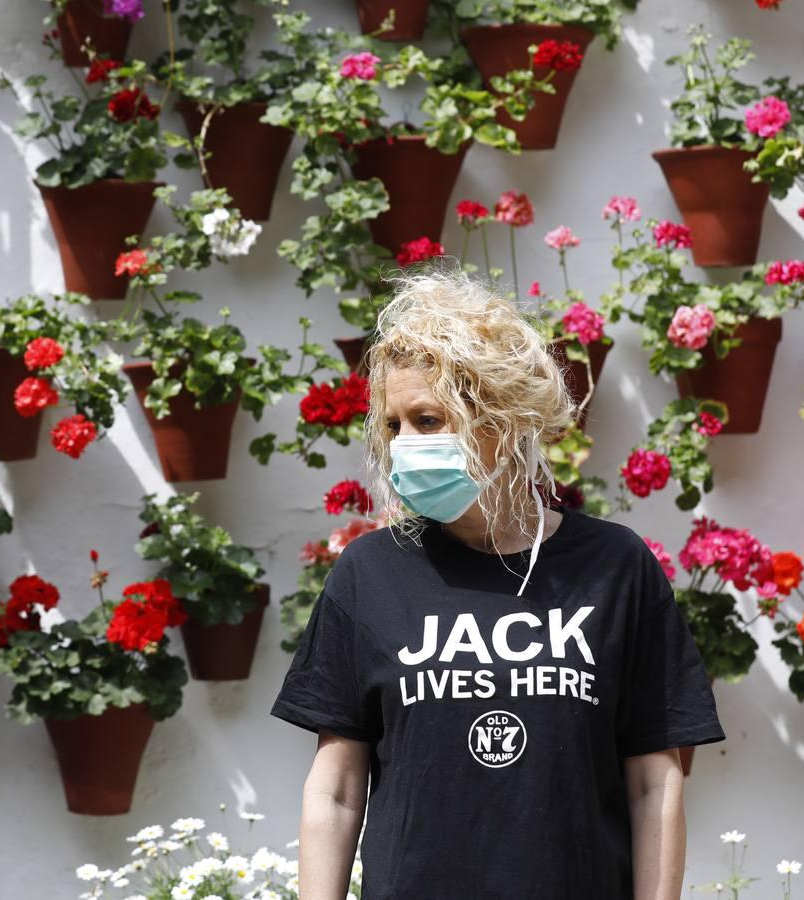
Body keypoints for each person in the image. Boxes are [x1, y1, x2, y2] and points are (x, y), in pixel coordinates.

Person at [270, 268, 725, 899]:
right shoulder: (369, 573)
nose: (404, 445)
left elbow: (654, 782)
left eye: (428, 420)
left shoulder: (616, 567)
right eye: (393, 425)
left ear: (503, 420)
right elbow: (337, 790)